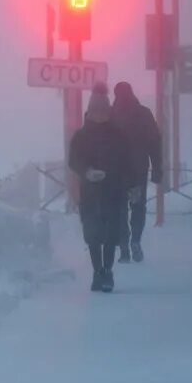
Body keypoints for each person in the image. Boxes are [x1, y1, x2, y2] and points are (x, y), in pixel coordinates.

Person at [69, 83, 131, 293]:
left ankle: (107, 271)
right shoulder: (81, 136)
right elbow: (73, 160)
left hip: (113, 192)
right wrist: (87, 172)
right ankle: (98, 272)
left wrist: (128, 184)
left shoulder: (117, 135)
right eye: (96, 112)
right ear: (90, 111)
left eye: (102, 111)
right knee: (93, 235)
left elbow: (126, 162)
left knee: (110, 235)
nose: (99, 116)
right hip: (91, 193)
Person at [111, 81, 163, 263]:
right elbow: (154, 142)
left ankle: (124, 247)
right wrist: (157, 168)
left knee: (119, 210)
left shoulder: (111, 115)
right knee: (138, 207)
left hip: (116, 173)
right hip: (137, 171)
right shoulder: (144, 114)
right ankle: (135, 240)